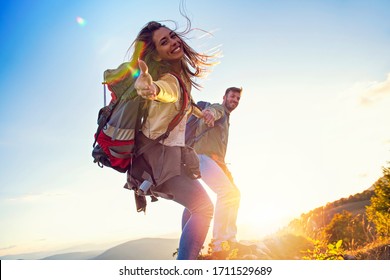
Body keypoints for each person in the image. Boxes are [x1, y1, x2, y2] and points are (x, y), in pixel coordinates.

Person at [128, 20, 217, 260]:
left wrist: (202, 112)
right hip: (159, 160)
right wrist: (150, 87)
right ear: (156, 55)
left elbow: (184, 102)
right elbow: (163, 91)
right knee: (204, 208)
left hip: (170, 157)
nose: (173, 42)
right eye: (163, 42)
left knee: (195, 206)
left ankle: (188, 255)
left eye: (172, 36)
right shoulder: (169, 80)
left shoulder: (180, 79)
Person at [182, 87, 251, 258]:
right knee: (228, 193)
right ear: (224, 97)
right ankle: (221, 243)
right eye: (232, 97)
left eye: (237, 99)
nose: (234, 100)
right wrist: (211, 113)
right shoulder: (219, 110)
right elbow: (215, 110)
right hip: (201, 157)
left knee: (229, 194)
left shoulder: (227, 119)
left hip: (210, 161)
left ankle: (197, 247)